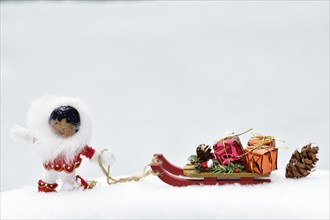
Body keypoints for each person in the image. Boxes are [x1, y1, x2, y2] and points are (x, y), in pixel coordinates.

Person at [10, 96, 115, 192]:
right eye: (56, 124)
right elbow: (32, 137)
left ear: (75, 129)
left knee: (69, 181)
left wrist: (102, 158)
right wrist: (21, 134)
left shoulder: (76, 145)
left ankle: (70, 188)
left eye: (65, 127)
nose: (59, 129)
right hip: (50, 168)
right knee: (48, 179)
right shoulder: (47, 139)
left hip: (68, 170)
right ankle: (47, 189)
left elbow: (91, 154)